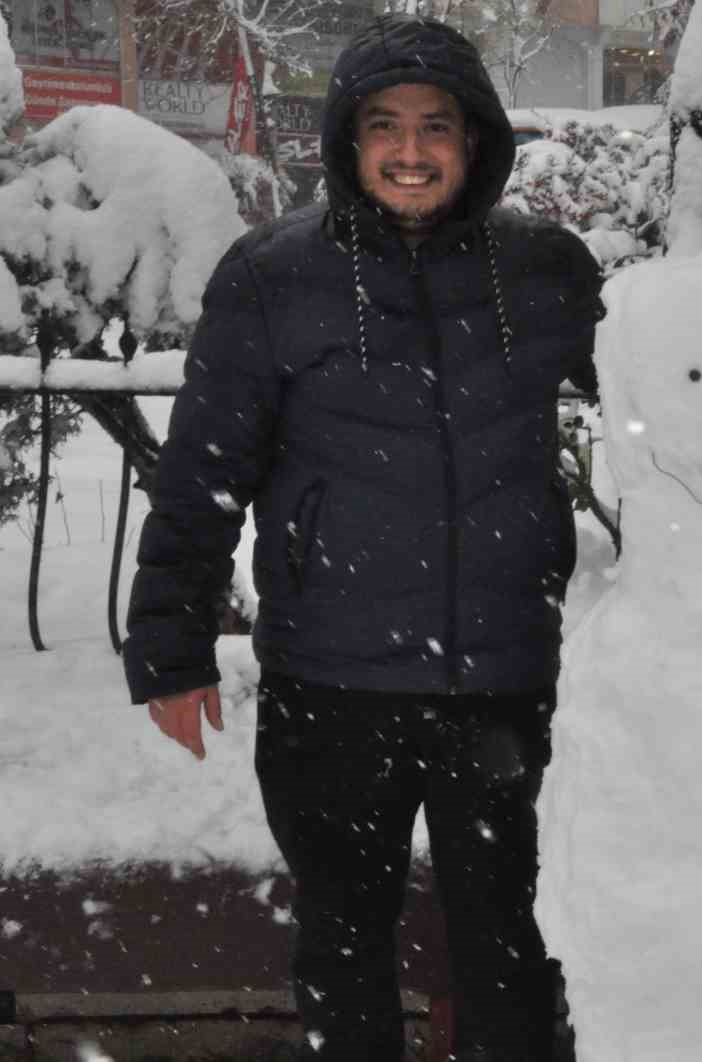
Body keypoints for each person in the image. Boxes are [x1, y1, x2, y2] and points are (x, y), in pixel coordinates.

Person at [123, 14, 603, 1060]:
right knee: (343, 945)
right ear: (348, 141)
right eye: (384, 125)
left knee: (515, 944)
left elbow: (677, 412)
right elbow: (203, 472)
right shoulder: (271, 276)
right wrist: (169, 648)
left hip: (505, 681)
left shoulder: (546, 272)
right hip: (331, 688)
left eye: (437, 125)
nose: (411, 150)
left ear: (475, 141)